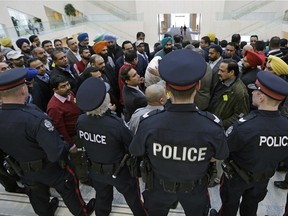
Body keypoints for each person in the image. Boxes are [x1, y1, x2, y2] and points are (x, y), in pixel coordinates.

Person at [129, 49, 229, 216]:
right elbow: (220, 155)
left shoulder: (149, 122)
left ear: (166, 88)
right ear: (197, 86)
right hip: (195, 189)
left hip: (158, 188)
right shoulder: (212, 125)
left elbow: (136, 151)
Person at [0, 68, 95, 216]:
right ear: (23, 91)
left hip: (22, 168)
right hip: (50, 168)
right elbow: (56, 152)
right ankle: (81, 212)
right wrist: (66, 146)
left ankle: (46, 212)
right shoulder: (34, 118)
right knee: (69, 189)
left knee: (37, 196)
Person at [210, 71, 288, 216]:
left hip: (236, 178)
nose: (252, 93)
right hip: (263, 178)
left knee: (229, 205)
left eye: (254, 91)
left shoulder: (244, 126)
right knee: (251, 207)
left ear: (261, 97)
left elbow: (223, 150)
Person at [75, 77, 147, 216]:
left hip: (95, 169)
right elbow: (131, 146)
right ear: (105, 101)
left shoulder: (81, 121)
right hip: (120, 172)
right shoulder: (115, 124)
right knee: (133, 199)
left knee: (102, 197)